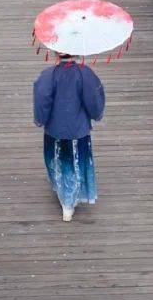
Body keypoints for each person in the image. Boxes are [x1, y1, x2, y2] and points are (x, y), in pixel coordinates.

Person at [33, 55, 105, 221]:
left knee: (57, 161)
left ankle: (63, 196)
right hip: (77, 129)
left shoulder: (48, 75)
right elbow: (94, 99)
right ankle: (69, 203)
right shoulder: (84, 74)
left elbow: (42, 98)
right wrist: (96, 113)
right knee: (74, 163)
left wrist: (40, 119)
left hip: (54, 129)